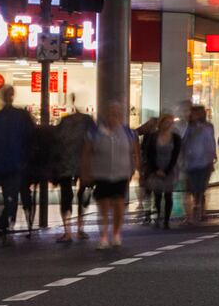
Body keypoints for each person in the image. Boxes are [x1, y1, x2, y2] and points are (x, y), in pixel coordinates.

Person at [81, 100, 138, 251]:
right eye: (111, 113)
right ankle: (104, 236)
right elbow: (86, 153)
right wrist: (85, 172)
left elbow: (134, 152)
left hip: (121, 173)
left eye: (117, 114)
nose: (114, 116)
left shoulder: (128, 132)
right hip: (101, 173)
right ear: (105, 115)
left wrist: (135, 168)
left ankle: (116, 233)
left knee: (119, 204)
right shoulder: (95, 132)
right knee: (104, 206)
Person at [0, 85, 33, 246]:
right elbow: (28, 141)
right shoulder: (21, 116)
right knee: (10, 198)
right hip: (14, 164)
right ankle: (3, 225)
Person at [53, 99, 96, 242]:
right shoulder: (88, 122)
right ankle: (80, 229)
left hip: (66, 165)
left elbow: (57, 143)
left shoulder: (64, 123)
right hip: (84, 165)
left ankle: (68, 231)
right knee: (83, 195)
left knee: (66, 196)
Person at [140, 111, 182, 228]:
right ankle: (159, 216)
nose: (168, 125)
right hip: (156, 168)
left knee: (168, 195)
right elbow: (149, 154)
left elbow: (175, 155)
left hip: (170, 168)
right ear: (161, 123)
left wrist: (167, 170)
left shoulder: (175, 138)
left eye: (170, 123)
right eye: (166, 122)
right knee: (157, 194)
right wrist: (156, 169)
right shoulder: (153, 137)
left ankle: (166, 221)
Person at [179, 104, 217, 224]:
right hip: (191, 163)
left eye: (196, 113)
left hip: (204, 162)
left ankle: (200, 212)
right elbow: (184, 143)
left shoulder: (207, 126)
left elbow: (211, 142)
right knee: (191, 189)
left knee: (200, 189)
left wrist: (212, 158)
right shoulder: (188, 127)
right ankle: (192, 214)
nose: (193, 115)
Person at [20, 108, 55, 235]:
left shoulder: (23, 132)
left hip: (26, 168)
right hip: (37, 168)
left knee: (25, 193)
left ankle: (29, 217)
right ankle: (30, 217)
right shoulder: (38, 131)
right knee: (30, 193)